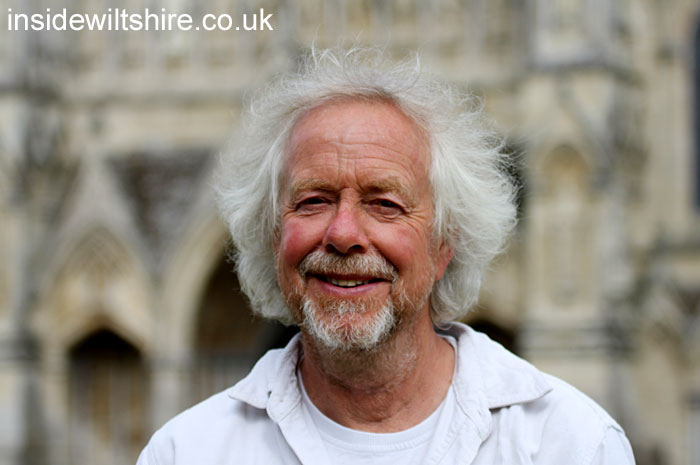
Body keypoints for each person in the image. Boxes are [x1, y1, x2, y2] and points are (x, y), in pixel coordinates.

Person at [136, 47, 635, 465]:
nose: (343, 234)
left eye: (385, 204)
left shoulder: (569, 444)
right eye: (313, 201)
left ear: (445, 243)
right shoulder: (188, 452)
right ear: (272, 235)